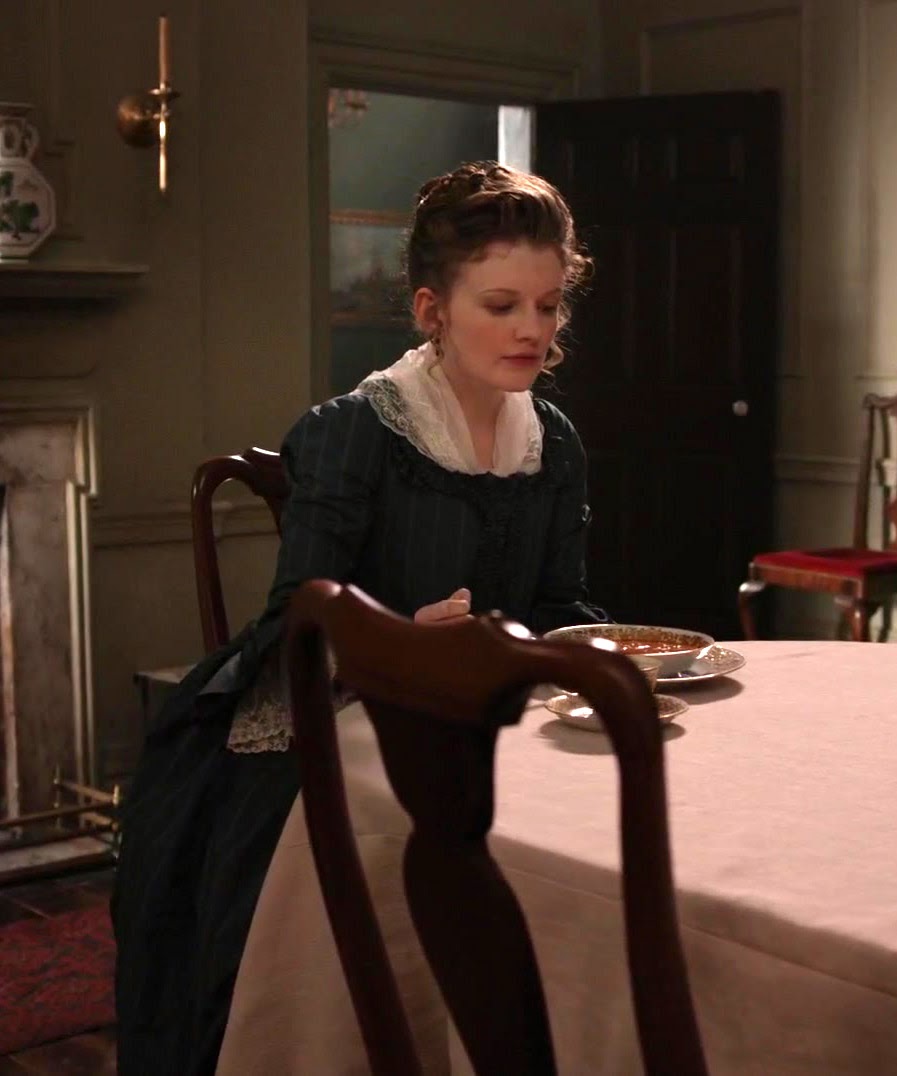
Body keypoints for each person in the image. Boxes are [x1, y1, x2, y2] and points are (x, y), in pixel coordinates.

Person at [112, 161, 611, 1076]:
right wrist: (403, 642)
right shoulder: (352, 431)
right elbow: (298, 621)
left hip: (490, 714)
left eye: (548, 307)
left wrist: (596, 654)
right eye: (501, 305)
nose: (532, 330)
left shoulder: (555, 442)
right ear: (431, 310)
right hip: (342, 719)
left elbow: (557, 604)